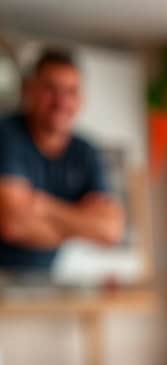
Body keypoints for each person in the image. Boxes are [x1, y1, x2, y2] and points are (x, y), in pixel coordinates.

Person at [0, 48, 124, 273]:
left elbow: (110, 230)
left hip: (43, 286)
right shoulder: (6, 135)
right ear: (30, 91)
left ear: (81, 99)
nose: (61, 101)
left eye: (71, 91)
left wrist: (44, 206)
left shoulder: (86, 151)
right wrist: (80, 224)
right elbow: (13, 224)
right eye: (51, 89)